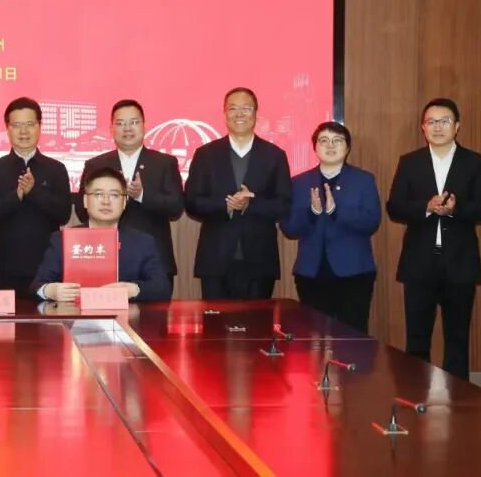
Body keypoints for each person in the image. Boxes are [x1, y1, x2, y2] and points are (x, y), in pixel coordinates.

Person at [387, 98, 481, 379]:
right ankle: (415, 394)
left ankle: (458, 398)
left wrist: (456, 210)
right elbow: (394, 207)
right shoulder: (410, 162)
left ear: (457, 126)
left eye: (444, 121)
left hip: (460, 263)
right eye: (431, 122)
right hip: (419, 263)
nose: (437, 127)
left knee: (458, 338)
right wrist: (426, 207)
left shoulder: (474, 162)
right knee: (416, 338)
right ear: (423, 128)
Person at [184, 87, 292, 299]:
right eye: (233, 108)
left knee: (258, 320)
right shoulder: (206, 154)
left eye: (246, 108)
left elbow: (284, 204)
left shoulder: (274, 155)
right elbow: (191, 201)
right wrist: (225, 205)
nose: (239, 114)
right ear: (225, 113)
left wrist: (251, 204)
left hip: (259, 260)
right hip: (215, 260)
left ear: (256, 113)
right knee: (215, 320)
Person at [280, 122, 380, 333]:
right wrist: (312, 212)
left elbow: (372, 221)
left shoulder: (364, 180)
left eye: (337, 140)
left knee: (352, 338)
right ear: (315, 147)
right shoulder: (299, 183)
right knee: (313, 338)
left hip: (354, 273)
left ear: (348, 147)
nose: (330, 145)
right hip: (311, 273)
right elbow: (289, 228)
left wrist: (337, 211)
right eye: (324, 141)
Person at [75, 99, 183, 288]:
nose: (127, 128)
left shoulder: (164, 163)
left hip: (153, 260)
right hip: (104, 259)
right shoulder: (96, 165)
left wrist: (142, 196)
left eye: (133, 122)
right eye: (120, 123)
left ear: (144, 126)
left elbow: (176, 207)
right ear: (112, 129)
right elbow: (81, 210)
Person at [0, 97, 71, 298]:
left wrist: (34, 191)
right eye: (17, 125)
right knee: (9, 319)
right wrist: (16, 196)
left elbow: (63, 214)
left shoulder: (56, 169)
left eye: (29, 124)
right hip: (6, 269)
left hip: (48, 267)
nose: (24, 131)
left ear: (39, 126)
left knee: (47, 318)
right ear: (7, 129)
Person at [32, 167, 171, 302]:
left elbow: (162, 287)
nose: (106, 201)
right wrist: (50, 291)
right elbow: (36, 286)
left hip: (125, 316)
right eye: (98, 194)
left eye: (114, 195)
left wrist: (133, 290)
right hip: (74, 315)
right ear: (85, 201)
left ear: (124, 202)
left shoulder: (142, 242)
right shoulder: (62, 239)